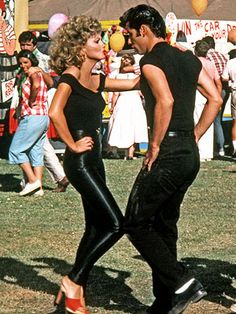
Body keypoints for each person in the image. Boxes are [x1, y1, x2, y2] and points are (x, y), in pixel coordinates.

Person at [119, 5, 222, 314]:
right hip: (187, 153)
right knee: (165, 224)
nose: (129, 42)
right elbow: (215, 98)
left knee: (135, 222)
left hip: (166, 153)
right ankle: (166, 300)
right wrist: (195, 135)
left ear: (143, 30)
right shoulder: (188, 59)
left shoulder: (150, 61)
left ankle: (182, 282)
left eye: (130, 35)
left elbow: (165, 100)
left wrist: (153, 146)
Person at [48, 15, 139, 313]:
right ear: (79, 47)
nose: (102, 44)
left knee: (93, 227)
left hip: (95, 159)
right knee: (115, 223)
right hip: (80, 161)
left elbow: (134, 82)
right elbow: (54, 112)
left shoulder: (96, 78)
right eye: (96, 40)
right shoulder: (71, 75)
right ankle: (73, 280)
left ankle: (75, 293)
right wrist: (72, 145)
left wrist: (157, 58)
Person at [18, 31, 69, 192]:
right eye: (23, 44)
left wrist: (33, 98)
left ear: (34, 44)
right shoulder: (24, 58)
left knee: (27, 144)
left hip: (37, 106)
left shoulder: (41, 60)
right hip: (32, 106)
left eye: (28, 44)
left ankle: (31, 180)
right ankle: (57, 177)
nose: (25, 47)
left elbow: (50, 82)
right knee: (38, 143)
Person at [8, 50, 49, 196]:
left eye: (26, 62)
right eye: (20, 63)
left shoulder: (33, 73)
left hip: (32, 117)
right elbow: (47, 83)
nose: (23, 65)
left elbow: (36, 85)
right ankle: (38, 188)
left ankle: (32, 181)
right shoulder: (39, 73)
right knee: (36, 152)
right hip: (43, 117)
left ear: (32, 61)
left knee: (15, 150)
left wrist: (31, 99)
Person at [107, 53, 148, 160]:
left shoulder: (118, 76)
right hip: (134, 101)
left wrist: (112, 105)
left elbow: (116, 93)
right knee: (134, 126)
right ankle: (130, 154)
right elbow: (141, 92)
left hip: (123, 100)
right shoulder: (137, 76)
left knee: (121, 125)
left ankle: (115, 150)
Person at [194, 39, 222, 161]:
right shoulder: (210, 63)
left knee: (197, 120)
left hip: (198, 92)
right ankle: (208, 152)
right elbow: (218, 82)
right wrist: (217, 95)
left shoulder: (195, 63)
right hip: (210, 92)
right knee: (208, 122)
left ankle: (199, 151)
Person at [202, 35, 228, 157]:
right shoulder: (223, 56)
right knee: (219, 119)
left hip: (210, 89)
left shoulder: (207, 58)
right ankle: (222, 146)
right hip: (223, 89)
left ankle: (217, 147)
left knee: (211, 119)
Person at [222, 49, 236, 157]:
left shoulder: (230, 63)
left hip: (235, 92)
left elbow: (224, 77)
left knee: (235, 122)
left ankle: (235, 148)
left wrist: (231, 80)